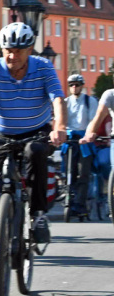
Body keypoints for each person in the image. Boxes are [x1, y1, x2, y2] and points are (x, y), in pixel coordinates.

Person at [0, 22, 66, 286]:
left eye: (17, 50)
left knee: (35, 153)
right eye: (7, 49)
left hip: (36, 131)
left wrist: (59, 126)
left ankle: (38, 215)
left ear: (29, 49)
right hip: (2, 135)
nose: (11, 55)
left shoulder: (43, 68)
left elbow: (57, 100)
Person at [63, 74, 99, 216]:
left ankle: (81, 204)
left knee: (83, 173)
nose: (74, 87)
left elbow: (93, 120)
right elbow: (61, 120)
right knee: (69, 172)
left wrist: (88, 135)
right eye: (71, 85)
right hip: (70, 140)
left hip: (84, 141)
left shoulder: (90, 101)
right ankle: (69, 200)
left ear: (81, 86)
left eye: (76, 84)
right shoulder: (65, 102)